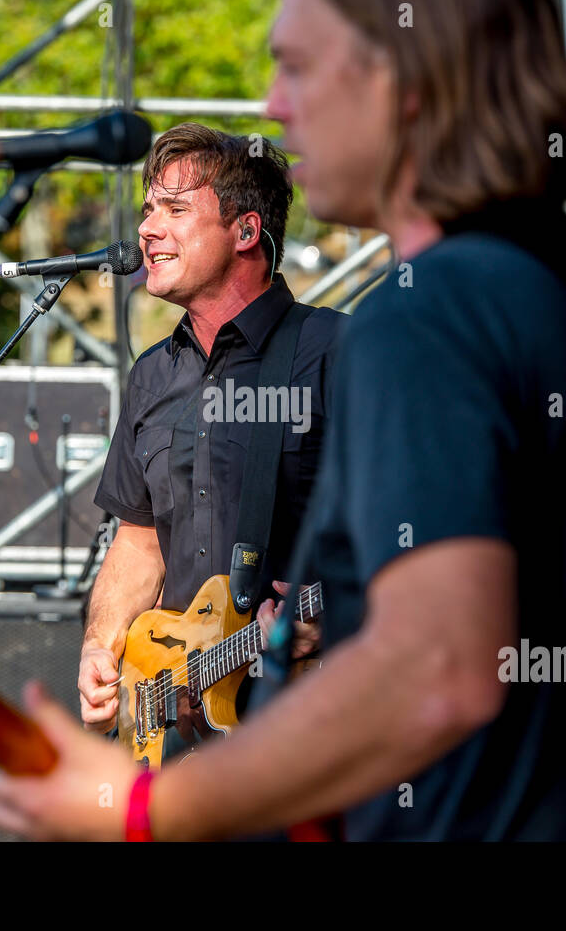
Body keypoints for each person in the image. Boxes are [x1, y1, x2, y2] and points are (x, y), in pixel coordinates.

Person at [0, 0, 566, 841]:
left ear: (402, 78)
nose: (275, 105)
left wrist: (149, 807)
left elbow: (436, 670)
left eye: (296, 65)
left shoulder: (426, 314)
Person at [76, 123, 343, 756]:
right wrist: (100, 644)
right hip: (179, 728)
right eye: (147, 209)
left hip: (304, 720)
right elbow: (140, 542)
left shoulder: (337, 353)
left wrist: (336, 617)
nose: (146, 228)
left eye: (174, 208)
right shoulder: (152, 374)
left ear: (246, 232)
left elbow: (408, 528)